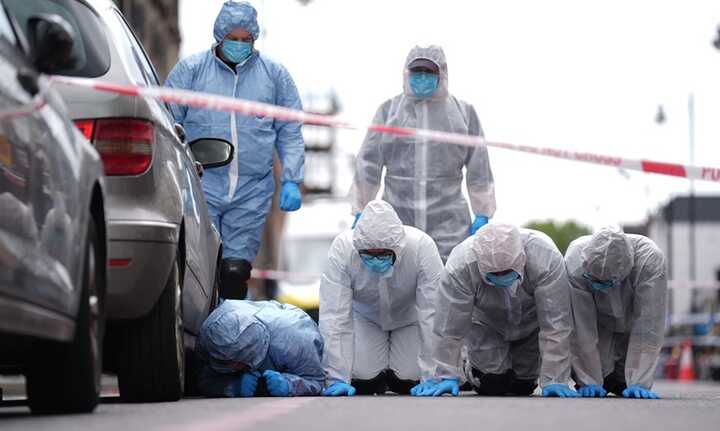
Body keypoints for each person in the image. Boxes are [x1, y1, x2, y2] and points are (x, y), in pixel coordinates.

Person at [166, 1, 304, 300]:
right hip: (201, 188)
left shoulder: (274, 76)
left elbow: (290, 128)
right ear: (219, 35)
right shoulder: (190, 72)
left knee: (234, 272)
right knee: (201, 270)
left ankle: (227, 337)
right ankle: (201, 335)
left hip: (252, 191)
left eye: (246, 40)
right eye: (233, 39)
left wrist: (292, 178)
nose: (240, 45)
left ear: (255, 39)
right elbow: (169, 123)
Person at [349, 45, 495, 261]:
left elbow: (479, 166)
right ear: (406, 74)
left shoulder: (463, 113)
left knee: (447, 285)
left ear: (442, 74)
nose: (423, 77)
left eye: (429, 72)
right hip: (397, 221)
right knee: (401, 282)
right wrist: (361, 207)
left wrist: (482, 212)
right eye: (417, 72)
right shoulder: (388, 111)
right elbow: (369, 163)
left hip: (449, 226)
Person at [414, 224, 577, 397]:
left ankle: (527, 376)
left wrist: (555, 378)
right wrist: (447, 373)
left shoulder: (545, 257)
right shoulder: (461, 265)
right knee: (492, 385)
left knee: (522, 387)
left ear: (521, 258)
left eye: (506, 271)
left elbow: (556, 323)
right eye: (493, 274)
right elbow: (449, 324)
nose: (501, 277)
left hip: (530, 323)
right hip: (487, 323)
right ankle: (469, 367)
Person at [320, 200, 443, 396]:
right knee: (362, 376)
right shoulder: (343, 249)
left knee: (409, 378)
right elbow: (334, 315)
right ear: (358, 248)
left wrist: (434, 375)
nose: (376, 260)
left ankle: (397, 376)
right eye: (368, 255)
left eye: (384, 254)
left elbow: (433, 312)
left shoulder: (421, 246)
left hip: (409, 319)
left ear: (398, 247)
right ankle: (374, 377)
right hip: (365, 318)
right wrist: (336, 377)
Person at [566, 227, 667, 399]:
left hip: (631, 320)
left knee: (624, 382)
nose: (601, 286)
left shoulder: (649, 260)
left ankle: (629, 382)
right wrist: (588, 379)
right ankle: (598, 379)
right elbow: (581, 326)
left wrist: (639, 381)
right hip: (599, 322)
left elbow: (648, 324)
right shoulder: (575, 259)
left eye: (608, 281)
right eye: (594, 279)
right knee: (603, 378)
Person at [195, 300, 324, 397]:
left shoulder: (296, 341)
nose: (232, 368)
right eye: (226, 362)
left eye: (236, 363)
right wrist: (231, 387)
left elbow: (317, 381)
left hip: (290, 334)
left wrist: (289, 384)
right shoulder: (210, 335)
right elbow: (203, 379)